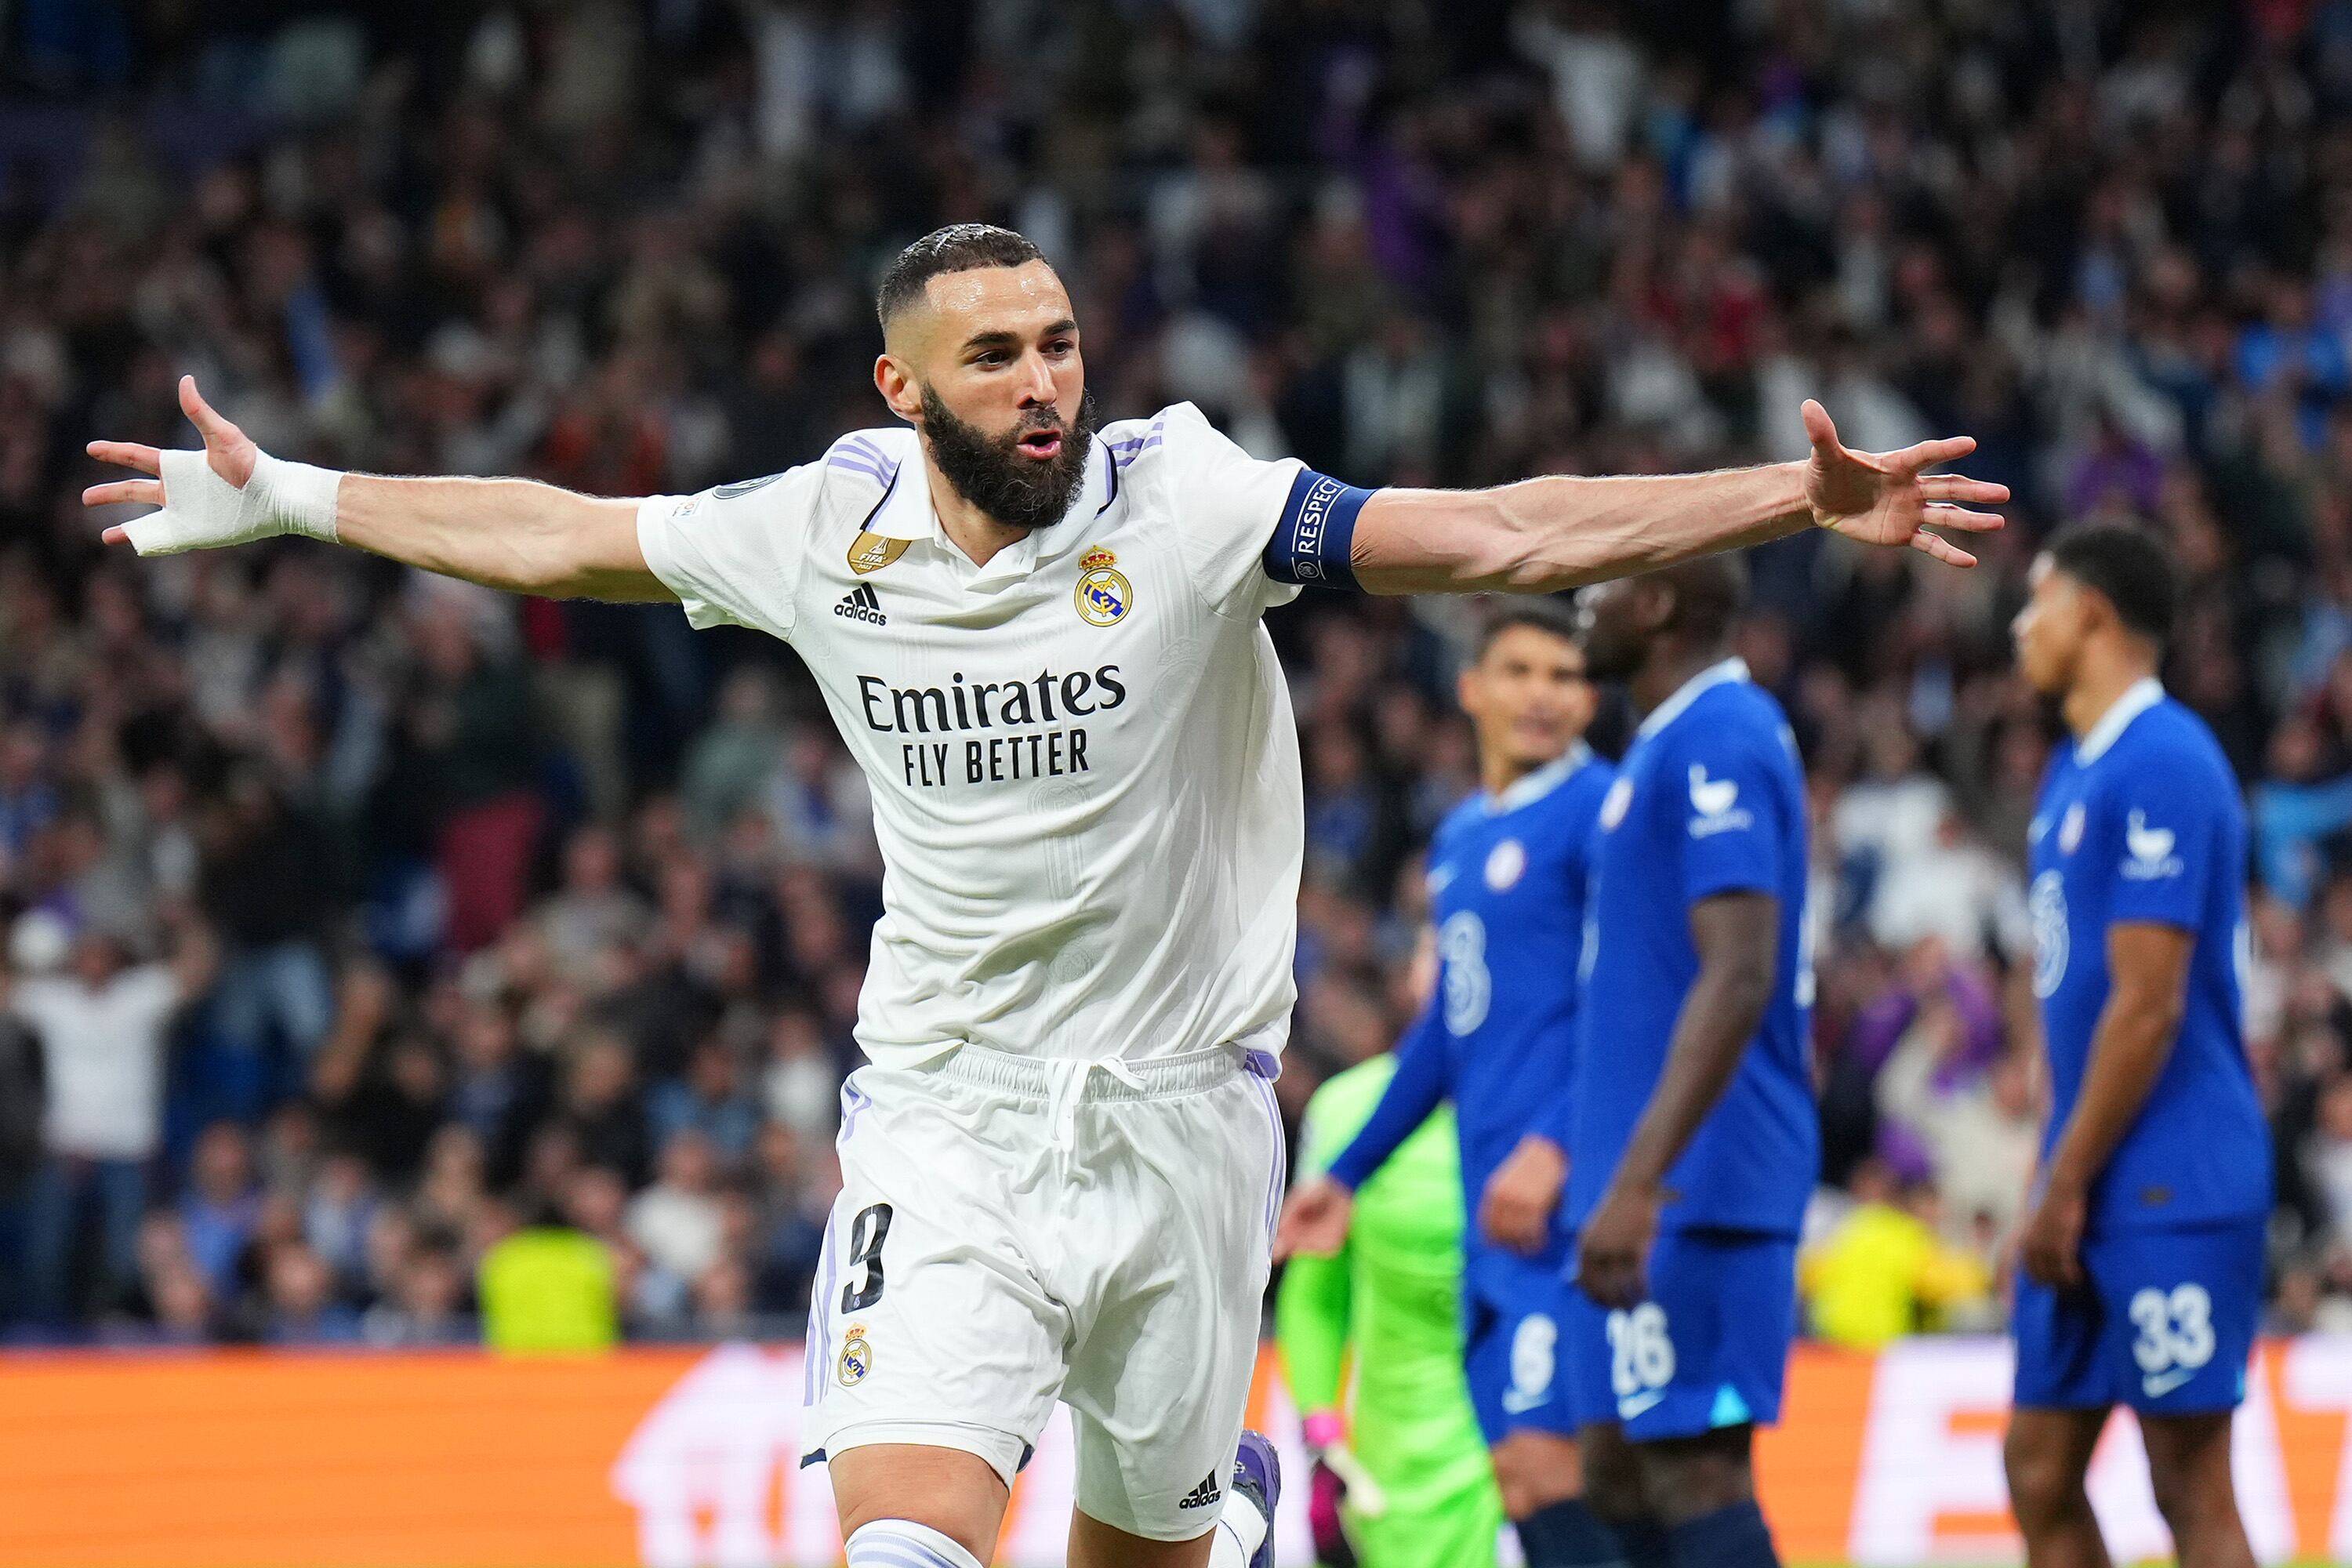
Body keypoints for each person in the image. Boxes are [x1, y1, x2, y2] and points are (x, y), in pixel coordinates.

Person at [82, 222, 2002, 1568]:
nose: (1039, 380)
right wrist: (302, 493)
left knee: (1145, 1548)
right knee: (907, 1538)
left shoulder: (1187, 502)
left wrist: (1785, 495)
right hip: (952, 1117)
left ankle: (1220, 1507)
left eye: (1058, 340)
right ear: (897, 380)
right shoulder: (815, 526)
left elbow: (1498, 527)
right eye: (991, 353)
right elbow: (561, 534)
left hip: (1189, 1130)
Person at [1278, 601, 1618, 1568]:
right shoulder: (1465, 838)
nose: (1541, 693)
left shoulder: (1601, 815)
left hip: (1574, 1209)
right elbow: (1446, 1035)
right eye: (1518, 669)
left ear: (1589, 698)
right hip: (1495, 1225)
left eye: (1563, 674)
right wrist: (1344, 1176)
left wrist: (1555, 1145)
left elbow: (1631, 1005)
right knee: (1529, 1475)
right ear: (1471, 688)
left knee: (1567, 1476)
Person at [2004, 523, 2270, 1568]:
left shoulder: (2165, 759)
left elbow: (2147, 1007)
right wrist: (2050, 1167)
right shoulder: (2072, 773)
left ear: (2094, 614)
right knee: (2037, 1469)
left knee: (2187, 1481)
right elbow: (2069, 1001)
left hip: (2172, 1177)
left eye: (2038, 602)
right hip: (2088, 1172)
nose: (2021, 628)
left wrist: (2065, 1178)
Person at [1565, 555, 1817, 1568]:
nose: (1582, 600)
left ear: (1660, 604)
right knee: (1618, 1466)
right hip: (1652, 1178)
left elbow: (1740, 974)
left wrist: (1641, 1182)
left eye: (1605, 582)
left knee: (1690, 1470)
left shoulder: (1722, 734)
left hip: (1699, 1186)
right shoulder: (1661, 747)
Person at [1276, 1036, 1503, 1568]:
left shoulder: (1558, 1095)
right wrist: (1321, 1432)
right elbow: (1315, 1290)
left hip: (1545, 1433)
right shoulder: (1347, 1106)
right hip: (1402, 1462)